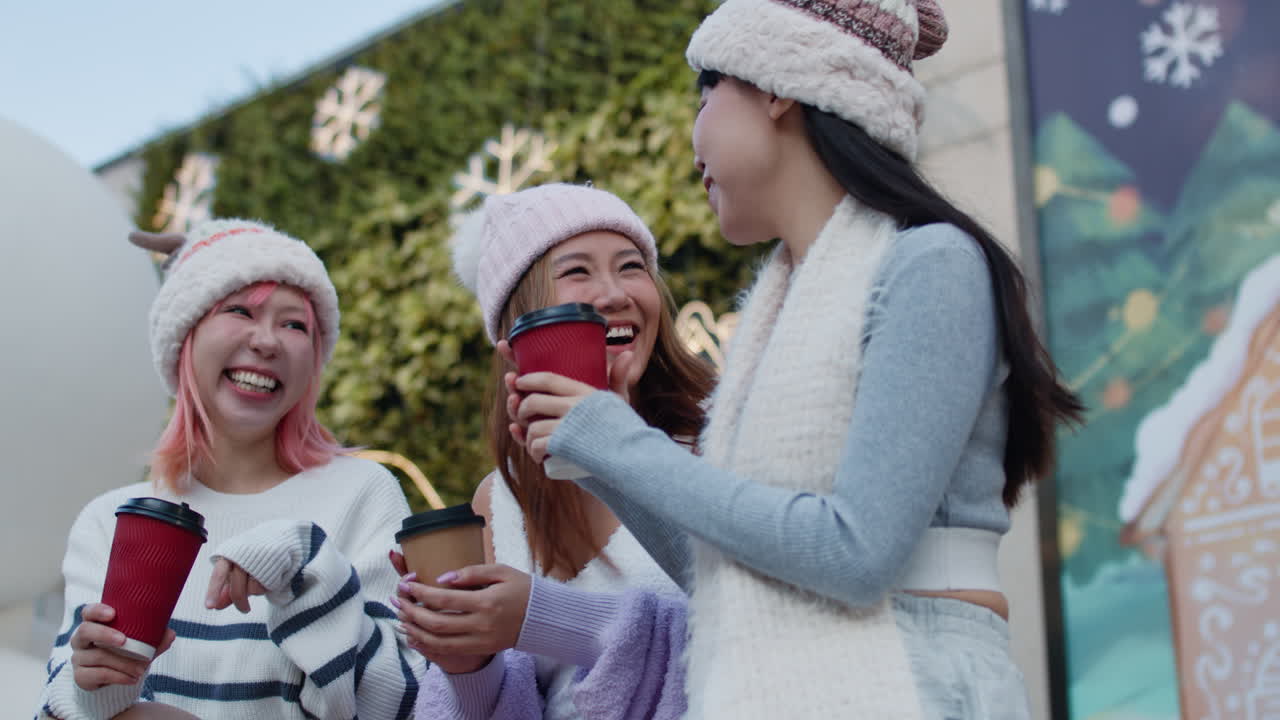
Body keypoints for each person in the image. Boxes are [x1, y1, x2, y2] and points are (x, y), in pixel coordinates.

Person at [504, 1, 1085, 718]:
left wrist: (617, 441)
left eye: (705, 93)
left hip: (917, 679)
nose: (694, 141)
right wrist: (601, 446)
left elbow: (855, 553)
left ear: (774, 84)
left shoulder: (931, 263)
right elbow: (721, 575)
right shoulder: (777, 315)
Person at [37, 220, 422, 719]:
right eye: (240, 310)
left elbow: (399, 702)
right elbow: (57, 708)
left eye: (294, 324)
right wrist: (97, 685)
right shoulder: (111, 519)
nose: (267, 342)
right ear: (183, 339)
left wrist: (305, 564)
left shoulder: (364, 494)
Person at [393, 183, 715, 719]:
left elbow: (763, 621)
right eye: (578, 271)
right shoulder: (500, 502)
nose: (615, 294)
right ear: (516, 325)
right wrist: (466, 662)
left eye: (632, 266)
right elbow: (501, 704)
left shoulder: (720, 436)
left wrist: (544, 616)